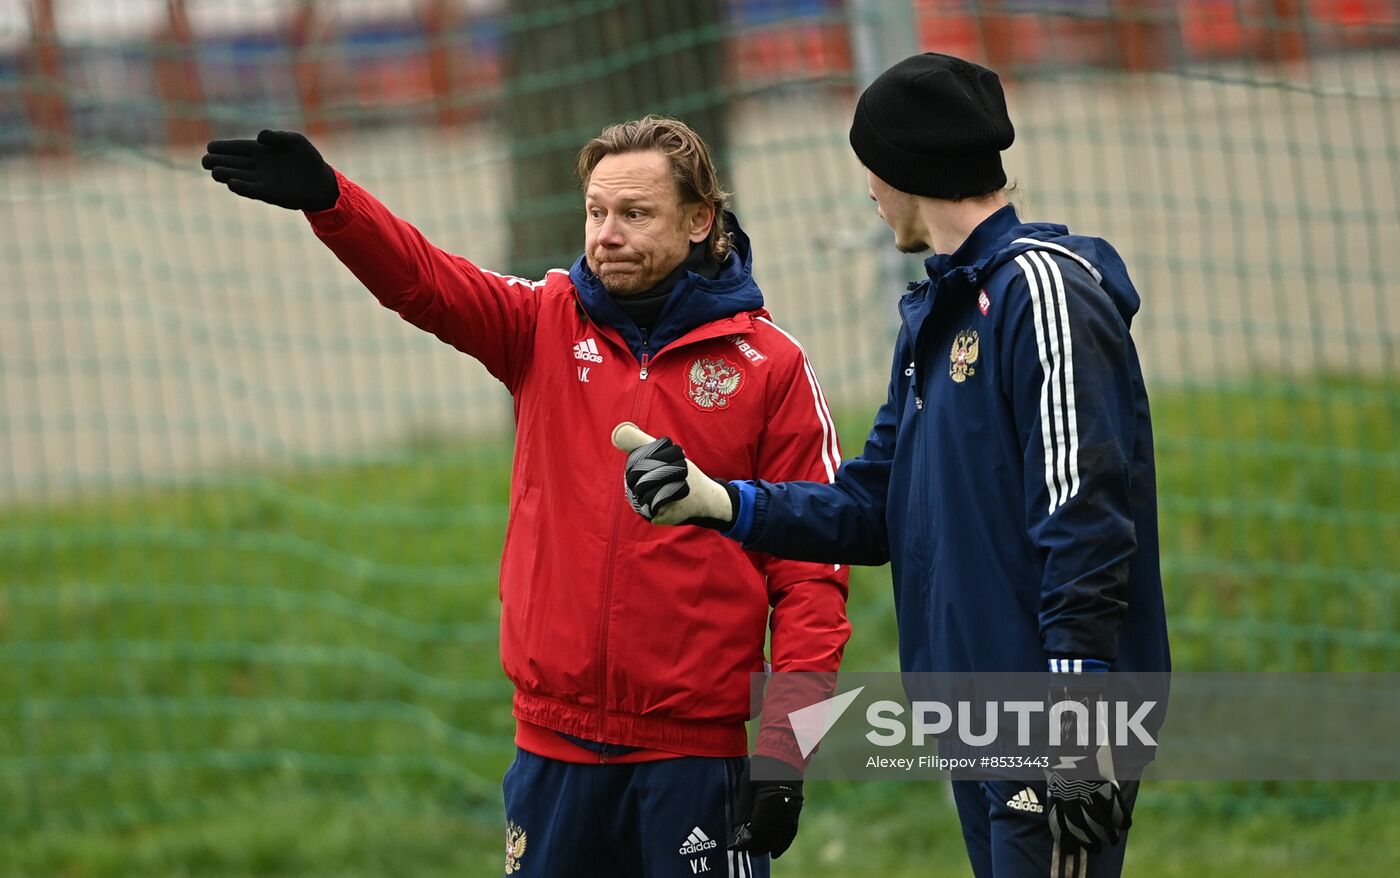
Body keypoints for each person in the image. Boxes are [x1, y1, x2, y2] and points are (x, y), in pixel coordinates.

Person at [202, 116, 850, 877]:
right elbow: (425, 282)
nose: (606, 234)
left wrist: (786, 752)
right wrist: (331, 202)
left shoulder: (769, 366)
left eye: (635, 214)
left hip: (693, 759)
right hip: (553, 752)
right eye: (596, 212)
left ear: (700, 220)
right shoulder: (540, 321)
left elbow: (813, 577)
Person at [613, 54, 1170, 878]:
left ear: (905, 170)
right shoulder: (936, 316)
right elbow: (874, 508)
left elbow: (1084, 516)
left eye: (871, 167)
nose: (868, 191)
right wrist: (721, 502)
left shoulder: (1039, 292)